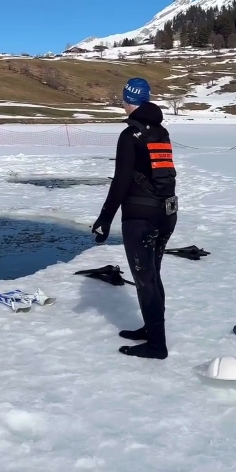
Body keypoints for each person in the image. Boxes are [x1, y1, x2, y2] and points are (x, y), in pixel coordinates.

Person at [92, 77, 178, 360]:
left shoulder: (130, 135)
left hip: (140, 217)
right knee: (153, 276)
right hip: (166, 213)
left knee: (145, 280)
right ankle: (151, 331)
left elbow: (121, 181)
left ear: (126, 99)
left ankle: (157, 345)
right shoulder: (160, 131)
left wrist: (105, 219)